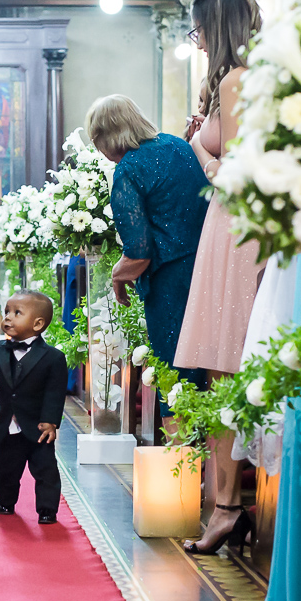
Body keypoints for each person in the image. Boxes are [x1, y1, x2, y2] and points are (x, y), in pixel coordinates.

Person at [173, 0, 263, 556]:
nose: (196, 39)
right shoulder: (252, 77)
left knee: (223, 365)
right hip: (234, 228)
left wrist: (196, 153)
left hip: (233, 229)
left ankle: (227, 505)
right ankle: (229, 500)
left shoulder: (236, 80)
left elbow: (235, 174)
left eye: (200, 27)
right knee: (228, 366)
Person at [85, 94, 211, 425]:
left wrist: (117, 275)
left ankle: (181, 463)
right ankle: (206, 459)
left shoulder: (129, 170)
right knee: (206, 361)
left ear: (104, 137)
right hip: (208, 266)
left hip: (171, 280)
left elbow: (139, 251)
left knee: (175, 367)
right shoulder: (176, 145)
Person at [0, 290, 69, 524]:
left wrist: (51, 421)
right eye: (7, 311)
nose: (8, 317)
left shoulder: (53, 358)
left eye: (17, 313)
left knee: (46, 471)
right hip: (7, 428)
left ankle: (47, 510)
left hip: (38, 429)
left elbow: (54, 393)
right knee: (6, 470)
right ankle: (5, 502)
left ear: (38, 324)